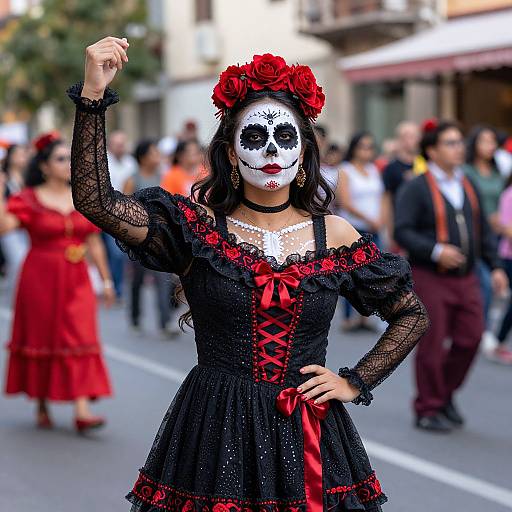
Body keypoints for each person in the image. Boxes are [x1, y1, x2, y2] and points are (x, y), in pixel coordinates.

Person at [68, 37, 429, 511]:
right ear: (233, 155)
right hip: (215, 431)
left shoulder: (334, 235)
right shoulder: (193, 227)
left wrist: (355, 381)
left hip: (309, 431)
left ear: (304, 153)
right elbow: (95, 202)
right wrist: (94, 98)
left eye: (285, 138)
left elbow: (411, 314)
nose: (272, 150)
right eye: (256, 138)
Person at [394, 120, 508, 432]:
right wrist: (434, 250)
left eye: (459, 142)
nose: (459, 148)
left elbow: (482, 231)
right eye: (451, 143)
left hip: (467, 277)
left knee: (471, 338)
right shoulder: (416, 187)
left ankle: (443, 395)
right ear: (432, 150)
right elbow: (402, 230)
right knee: (431, 345)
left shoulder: (465, 184)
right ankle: (428, 407)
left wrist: (496, 265)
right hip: (431, 276)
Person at [0, 131, 114, 432]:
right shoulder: (28, 198)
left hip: (77, 278)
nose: (68, 164)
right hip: (39, 277)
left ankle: (81, 408)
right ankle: (41, 401)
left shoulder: (83, 196)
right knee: (42, 336)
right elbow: (5, 227)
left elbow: (95, 243)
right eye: (61, 159)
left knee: (80, 336)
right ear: (45, 166)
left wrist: (106, 282)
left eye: (70, 158)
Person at [123, 139, 178, 337]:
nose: (158, 157)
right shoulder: (133, 179)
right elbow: (124, 210)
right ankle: (135, 317)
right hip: (137, 239)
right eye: (154, 152)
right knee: (137, 280)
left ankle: (165, 323)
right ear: (143, 157)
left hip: (160, 238)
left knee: (162, 280)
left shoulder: (162, 177)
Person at [462, 126, 505, 360]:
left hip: (498, 233)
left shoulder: (497, 172)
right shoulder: (467, 172)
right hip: (475, 234)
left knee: (496, 282)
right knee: (485, 283)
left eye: (492, 141)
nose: (490, 145)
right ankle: (482, 329)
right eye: (484, 140)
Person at [336, 131, 385, 331]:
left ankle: (366, 315)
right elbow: (345, 202)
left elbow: (382, 197)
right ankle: (348, 317)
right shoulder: (345, 170)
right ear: (354, 148)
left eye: (370, 147)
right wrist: (368, 218)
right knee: (351, 272)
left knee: (374, 272)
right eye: (363, 146)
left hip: (374, 227)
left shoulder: (374, 170)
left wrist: (380, 219)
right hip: (354, 226)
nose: (367, 151)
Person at [104, 130, 137, 301]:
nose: (120, 148)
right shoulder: (105, 160)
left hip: (121, 213)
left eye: (122, 144)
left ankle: (116, 288)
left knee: (117, 253)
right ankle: (109, 283)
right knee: (108, 252)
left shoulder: (130, 163)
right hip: (104, 211)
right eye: (117, 144)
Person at [382, 121, 420, 251]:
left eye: (414, 136)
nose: (410, 141)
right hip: (401, 224)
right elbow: (387, 200)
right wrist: (390, 232)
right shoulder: (391, 168)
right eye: (406, 136)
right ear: (399, 140)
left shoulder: (425, 164)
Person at [0, 143, 30, 300]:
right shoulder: (4, 178)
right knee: (19, 261)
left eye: (24, 154)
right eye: (18, 154)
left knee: (27, 262)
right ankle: (19, 297)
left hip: (28, 226)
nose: (22, 157)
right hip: (10, 228)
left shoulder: (29, 178)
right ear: (10, 157)